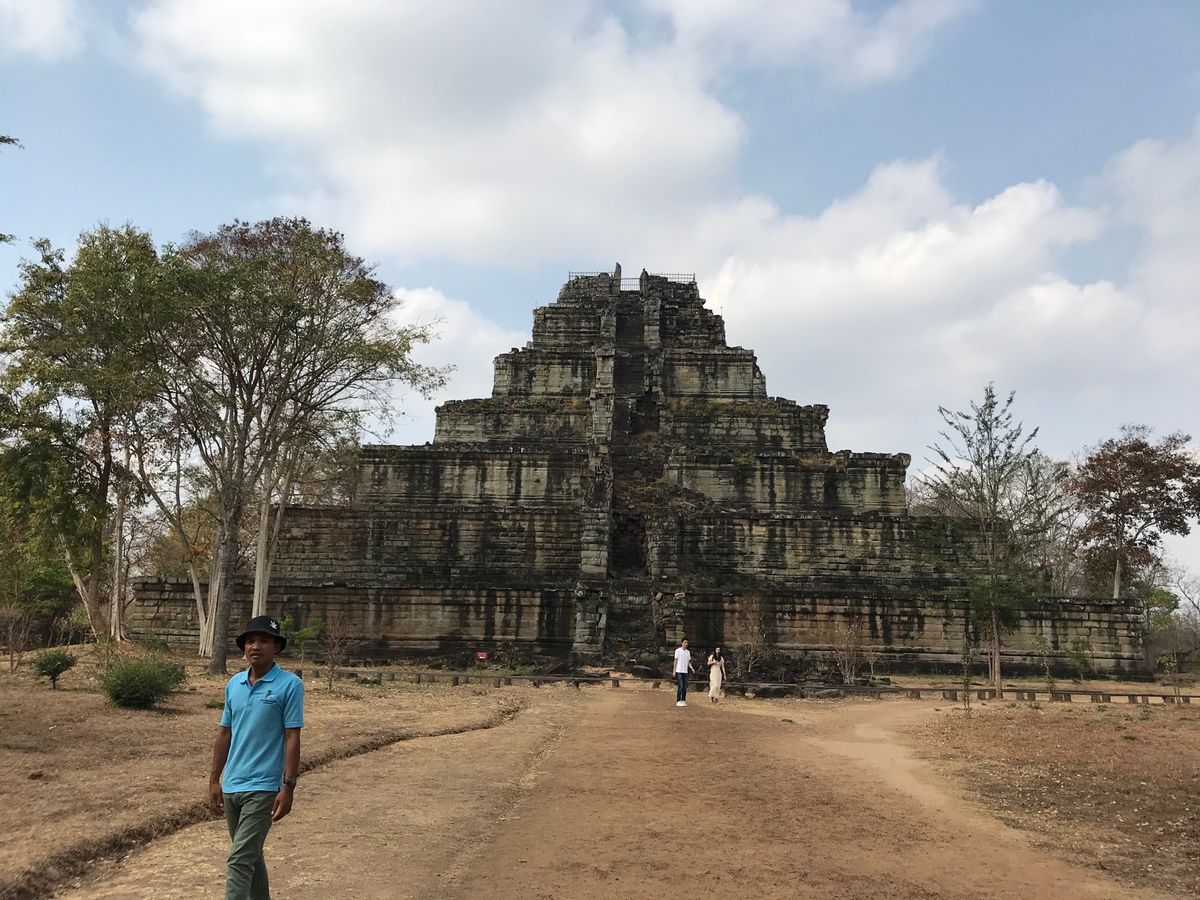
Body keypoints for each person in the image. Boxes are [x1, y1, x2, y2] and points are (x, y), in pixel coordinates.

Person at [209, 615, 305, 900]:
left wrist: (288, 786)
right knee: (250, 856)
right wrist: (215, 780)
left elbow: (292, 737)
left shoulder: (290, 685)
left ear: (276, 647)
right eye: (251, 641)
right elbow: (224, 734)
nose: (256, 646)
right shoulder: (234, 684)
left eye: (264, 641)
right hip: (232, 785)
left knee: (239, 860)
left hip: (263, 787)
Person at [673, 638, 694, 707]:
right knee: (680, 686)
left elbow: (688, 662)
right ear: (682, 643)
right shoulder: (678, 651)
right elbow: (675, 661)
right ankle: (679, 700)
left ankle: (683, 700)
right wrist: (674, 671)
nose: (686, 644)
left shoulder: (688, 652)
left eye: (687, 643)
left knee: (685, 687)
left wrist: (691, 668)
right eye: (685, 642)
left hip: (685, 671)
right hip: (679, 671)